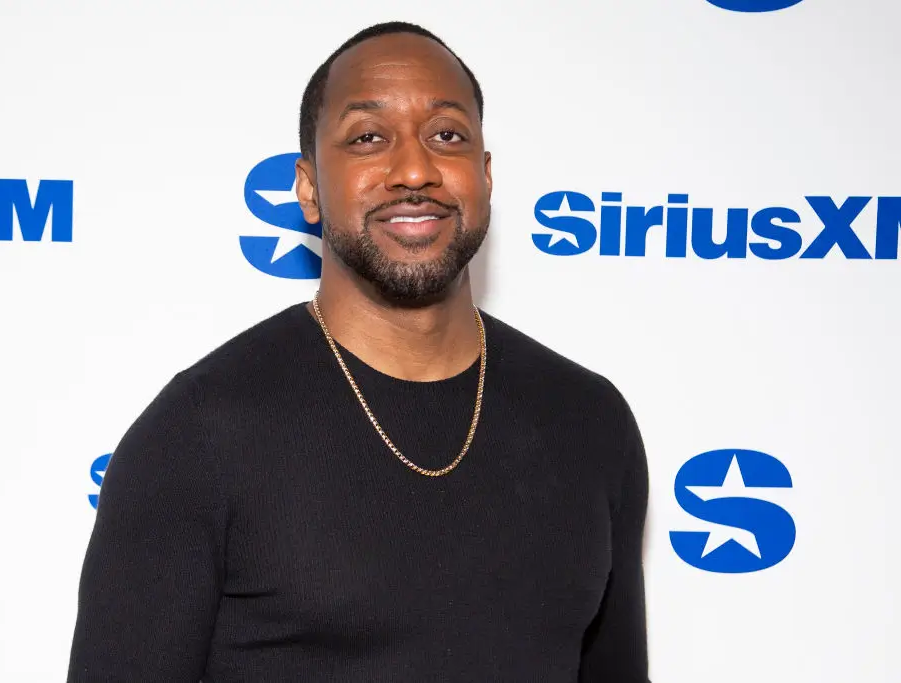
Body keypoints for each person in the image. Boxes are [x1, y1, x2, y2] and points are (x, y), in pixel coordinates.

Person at [67, 20, 650, 683]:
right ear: (308, 187)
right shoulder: (199, 434)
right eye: (368, 138)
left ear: (485, 176)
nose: (413, 169)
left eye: (447, 136)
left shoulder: (590, 421)